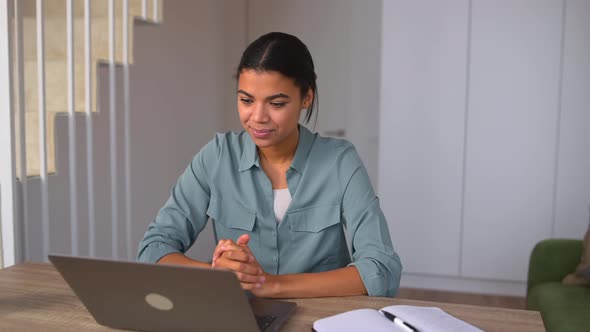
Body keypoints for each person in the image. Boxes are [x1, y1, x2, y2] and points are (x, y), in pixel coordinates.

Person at [137, 32, 402, 298]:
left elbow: (381, 269)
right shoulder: (218, 156)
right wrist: (216, 276)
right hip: (239, 317)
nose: (258, 117)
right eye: (246, 100)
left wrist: (271, 284)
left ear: (306, 97)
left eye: (276, 103)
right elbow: (154, 248)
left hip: (320, 319)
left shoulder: (340, 161)